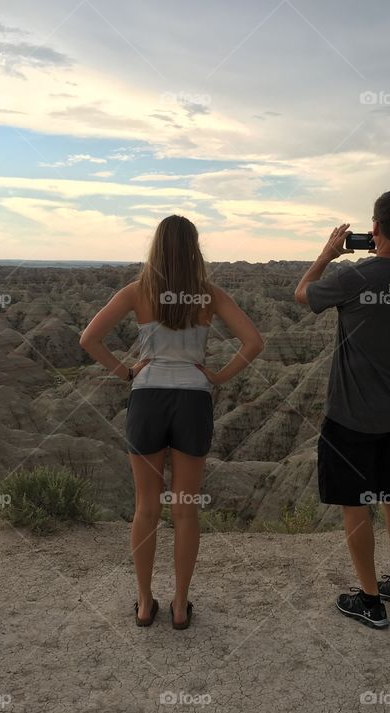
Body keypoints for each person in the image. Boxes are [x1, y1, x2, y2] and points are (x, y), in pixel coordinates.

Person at [80, 215, 263, 630]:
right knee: (185, 509)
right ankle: (181, 606)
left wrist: (127, 372)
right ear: (194, 248)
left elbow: (88, 339)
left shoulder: (136, 292)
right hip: (193, 400)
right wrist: (216, 376)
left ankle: (145, 604)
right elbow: (254, 342)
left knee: (146, 508)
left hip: (147, 398)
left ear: (156, 248)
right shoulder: (208, 295)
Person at [294, 190, 390, 629]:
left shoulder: (354, 277)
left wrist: (328, 253)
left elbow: (303, 294)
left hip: (350, 417)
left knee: (356, 505)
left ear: (375, 228)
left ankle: (369, 599)